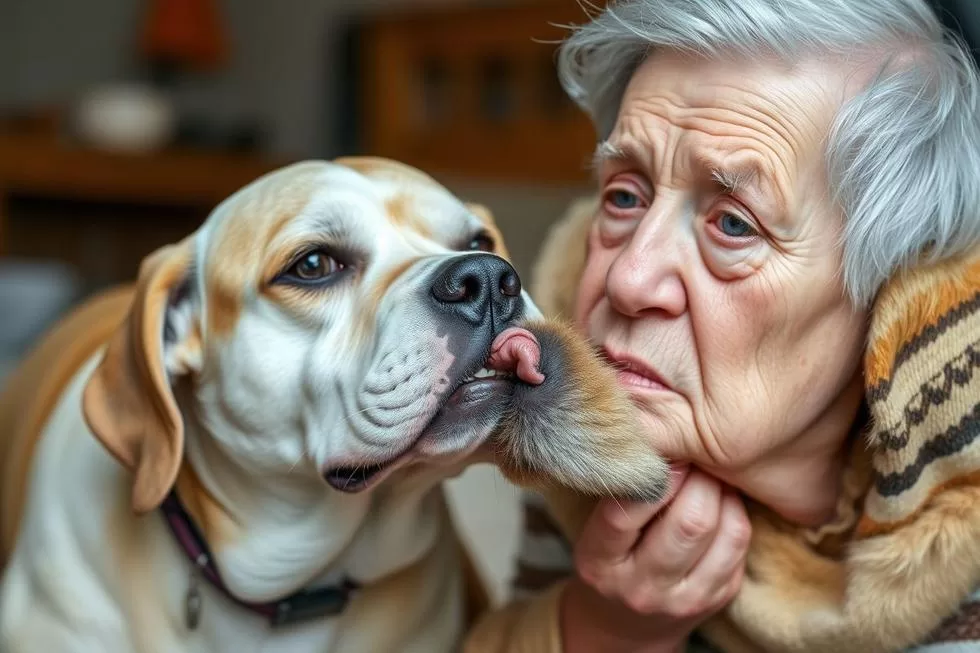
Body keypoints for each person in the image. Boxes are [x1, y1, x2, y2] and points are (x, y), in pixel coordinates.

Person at [461, 0, 980, 651]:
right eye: (625, 195)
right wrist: (605, 629)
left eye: (734, 224)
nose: (628, 279)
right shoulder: (591, 406)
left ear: (891, 296)